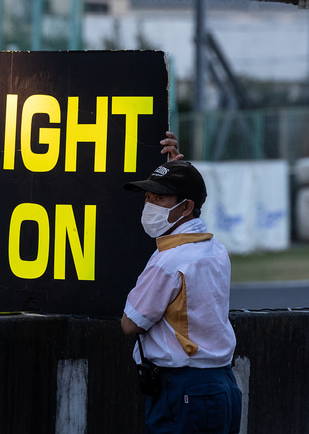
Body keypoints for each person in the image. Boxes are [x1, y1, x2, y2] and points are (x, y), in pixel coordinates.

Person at [121, 154, 241, 433]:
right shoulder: (216, 250)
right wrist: (174, 167)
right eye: (148, 197)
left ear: (186, 206)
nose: (150, 205)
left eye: (159, 198)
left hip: (185, 390)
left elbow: (130, 323)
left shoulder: (168, 262)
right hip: (222, 385)